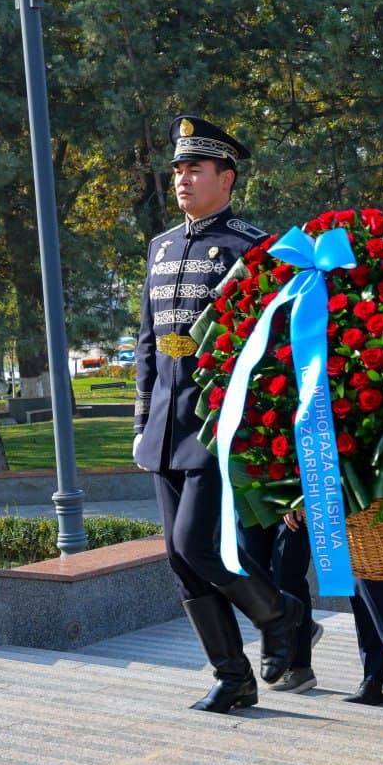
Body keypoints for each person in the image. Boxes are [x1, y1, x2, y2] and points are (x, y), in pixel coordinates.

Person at [133, 115, 302, 713]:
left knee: (197, 547)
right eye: (178, 169)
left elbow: (273, 348)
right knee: (181, 560)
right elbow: (149, 341)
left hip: (217, 424)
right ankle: (234, 677)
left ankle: (283, 618)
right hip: (164, 424)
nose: (182, 179)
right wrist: (139, 421)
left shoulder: (252, 247)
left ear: (226, 178)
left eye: (195, 169)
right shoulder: (160, 247)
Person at [240, 514, 325, 694]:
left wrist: (298, 496)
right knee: (250, 569)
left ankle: (300, 668)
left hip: (293, 492)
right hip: (248, 489)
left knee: (288, 578)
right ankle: (305, 626)